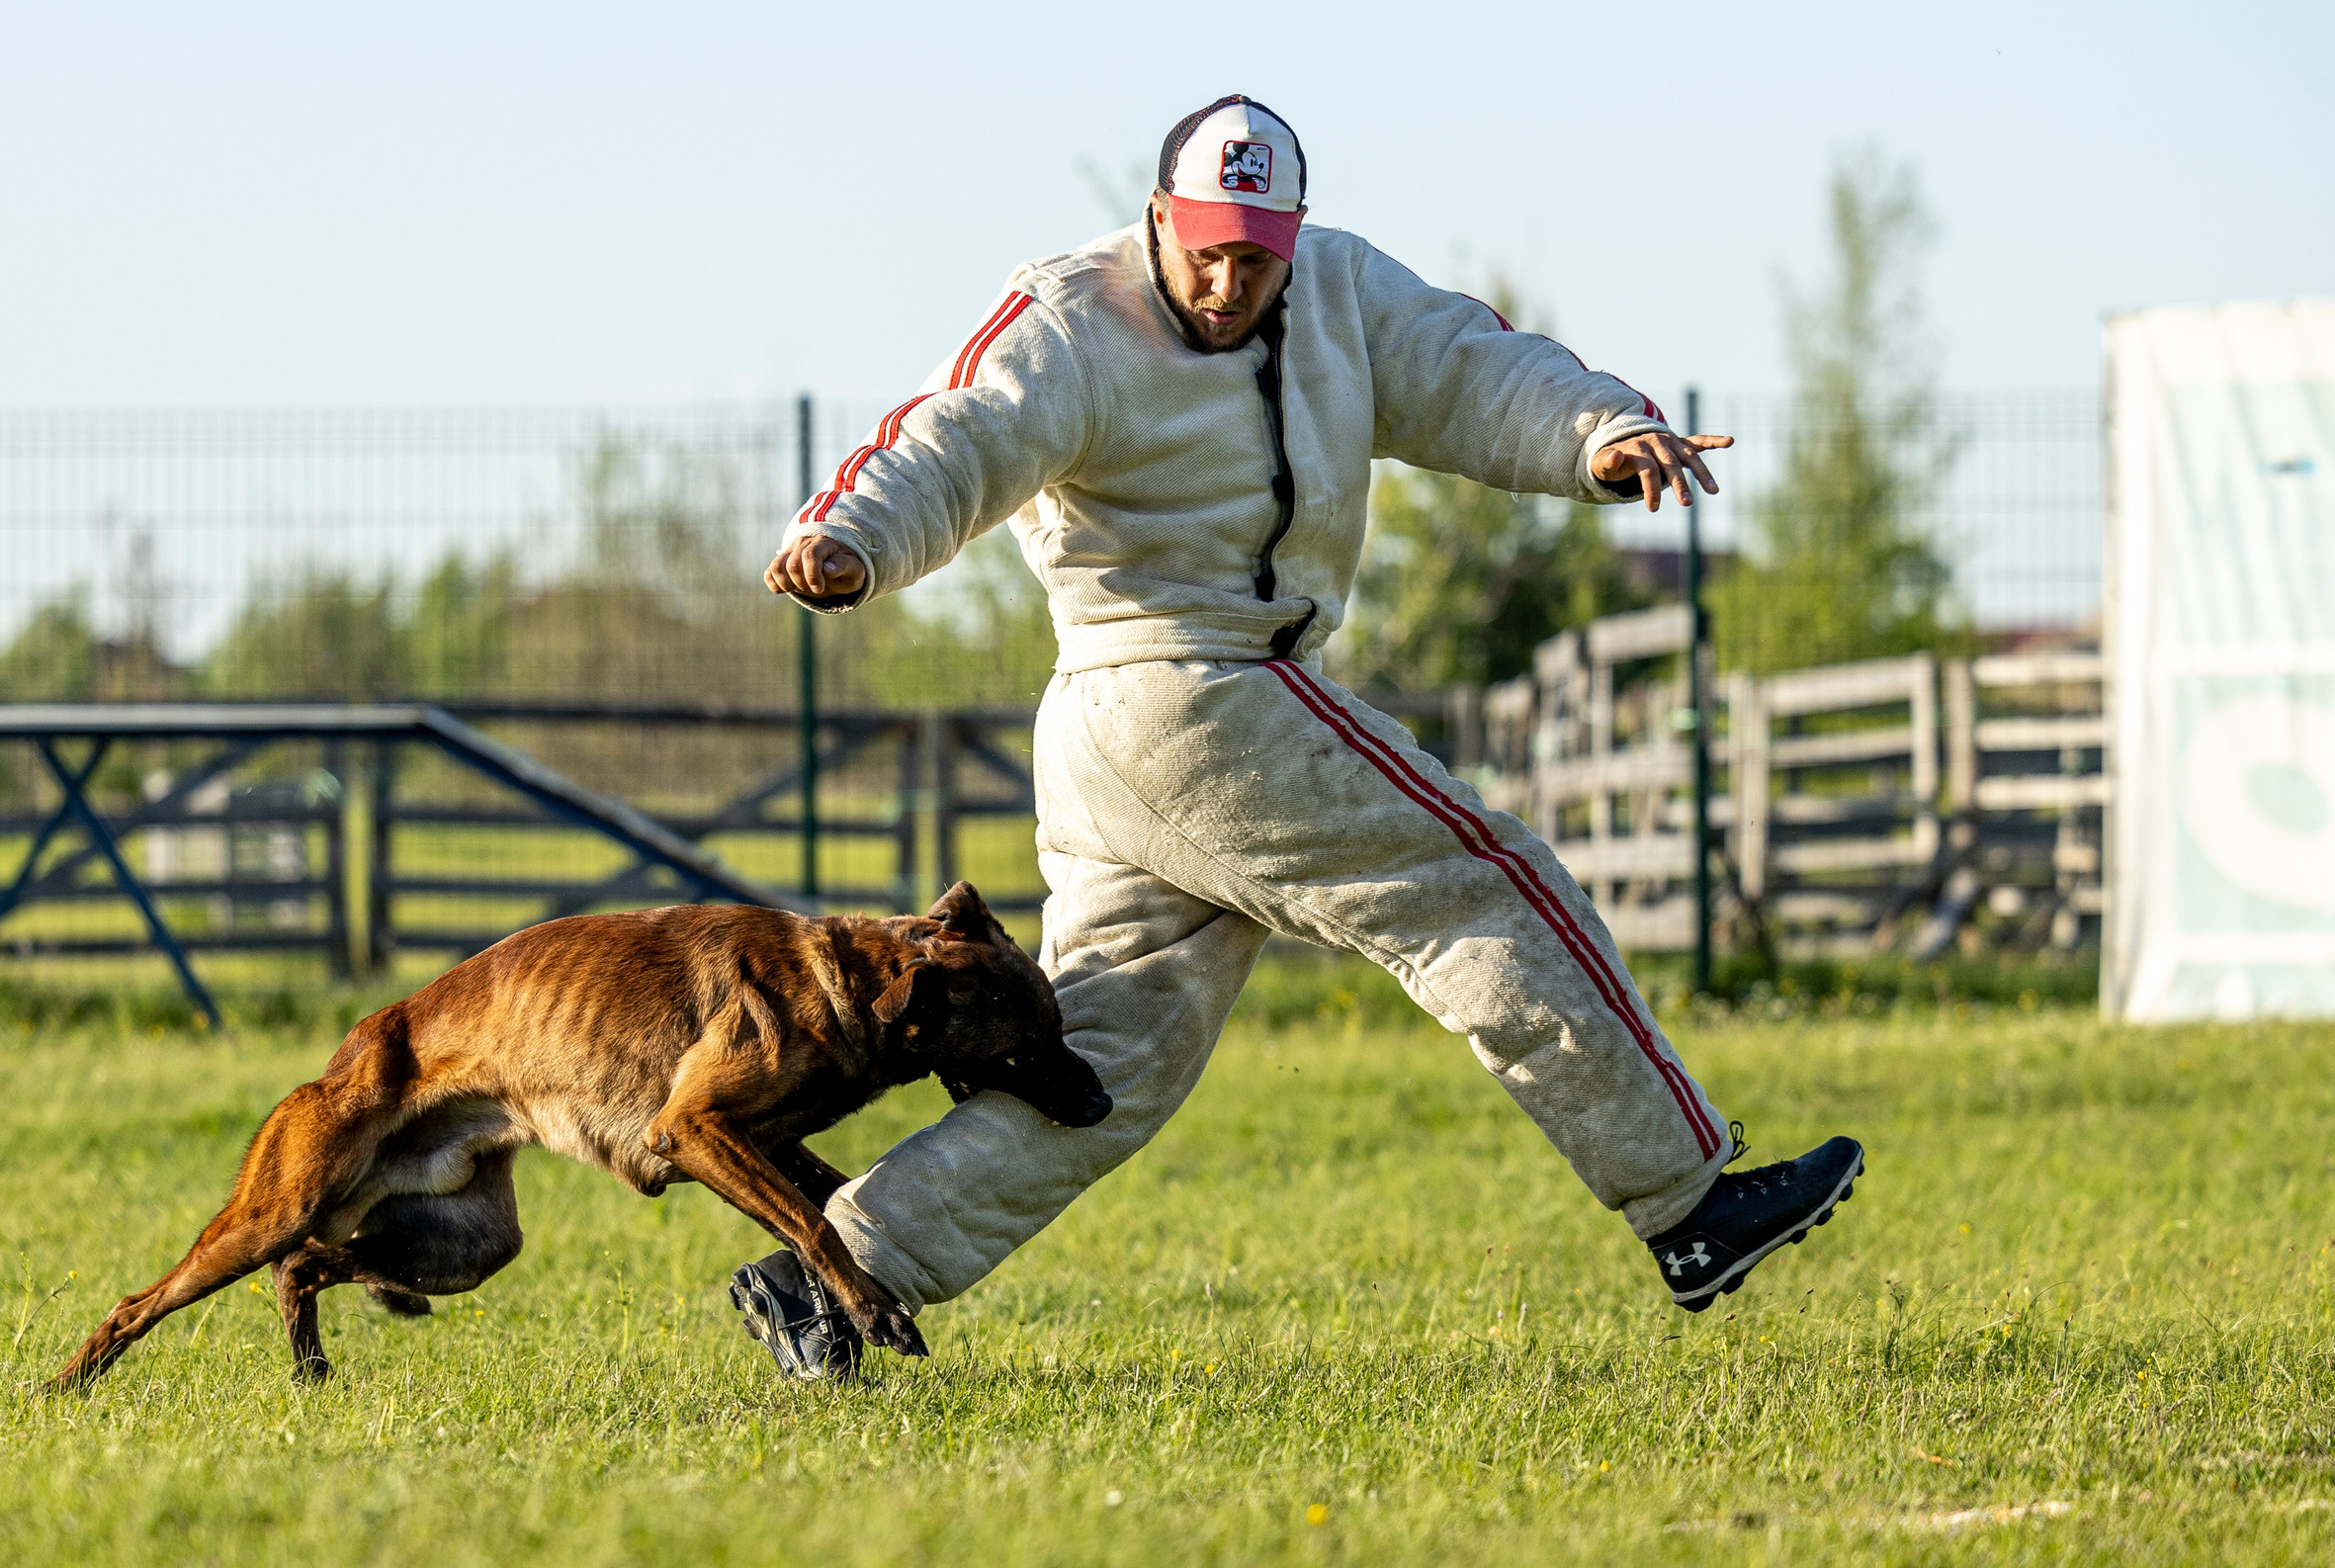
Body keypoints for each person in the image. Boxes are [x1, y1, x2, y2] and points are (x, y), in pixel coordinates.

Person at [731, 95, 1862, 1380]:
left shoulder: (1339, 291)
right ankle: (1690, 1204)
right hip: (1188, 696)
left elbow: (1465, 365)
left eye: (1256, 256)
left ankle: (832, 1275)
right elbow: (961, 430)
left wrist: (1596, 431)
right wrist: (853, 537)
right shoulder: (1071, 318)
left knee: (1104, 1064)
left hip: (1142, 746)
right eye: (1204, 247)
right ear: (1159, 217)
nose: (1227, 281)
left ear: (1295, 235)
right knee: (1479, 884)